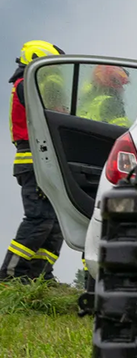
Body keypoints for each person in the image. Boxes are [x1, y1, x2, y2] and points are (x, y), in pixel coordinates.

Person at [4, 40, 66, 281]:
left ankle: (39, 277)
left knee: (54, 224)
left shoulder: (28, 85)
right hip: (35, 163)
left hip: (44, 162)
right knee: (39, 220)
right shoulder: (26, 85)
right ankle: (10, 275)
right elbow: (55, 112)